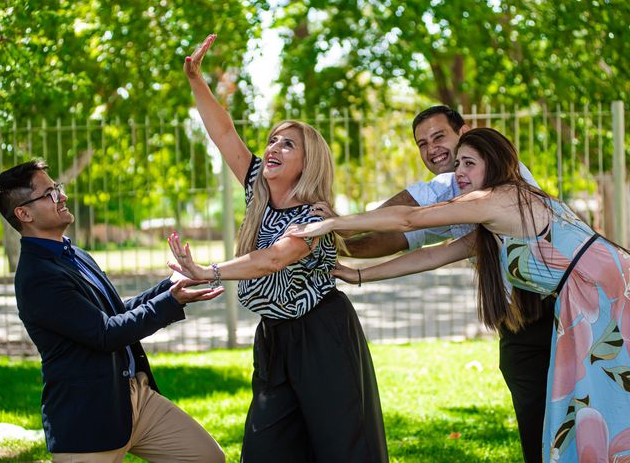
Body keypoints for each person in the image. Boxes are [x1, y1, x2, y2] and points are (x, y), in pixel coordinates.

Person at [287, 127, 630, 462]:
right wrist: (359, 275)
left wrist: (335, 223)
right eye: (458, 164)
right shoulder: (493, 222)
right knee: (593, 405)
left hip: (608, 291)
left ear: (493, 163)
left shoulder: (498, 198)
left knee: (607, 402)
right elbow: (432, 255)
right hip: (589, 296)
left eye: (469, 163)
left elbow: (409, 219)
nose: (459, 172)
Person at [173, 33, 388, 463]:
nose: (273, 147)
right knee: (266, 447)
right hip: (274, 335)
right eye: (273, 139)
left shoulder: (315, 217)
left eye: (287, 144)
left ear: (307, 164)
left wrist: (208, 271)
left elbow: (274, 258)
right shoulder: (257, 189)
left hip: (322, 334)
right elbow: (224, 132)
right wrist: (196, 80)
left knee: (341, 448)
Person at [312, 105, 552, 463]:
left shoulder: (494, 191)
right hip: (521, 317)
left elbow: (407, 217)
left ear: (465, 134)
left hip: (560, 308)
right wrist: (348, 262)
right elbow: (424, 249)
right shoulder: (464, 196)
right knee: (540, 412)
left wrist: (337, 225)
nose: (432, 149)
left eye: (439, 137)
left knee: (569, 410)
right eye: (422, 143)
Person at [0, 161, 225, 463]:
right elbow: (105, 333)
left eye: (57, 189)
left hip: (133, 397)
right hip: (88, 417)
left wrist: (169, 288)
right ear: (24, 213)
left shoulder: (73, 254)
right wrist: (171, 302)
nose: (61, 197)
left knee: (206, 457)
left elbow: (113, 314)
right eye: (49, 193)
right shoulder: (38, 276)